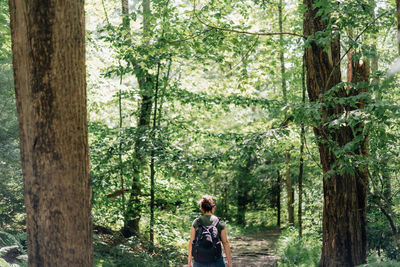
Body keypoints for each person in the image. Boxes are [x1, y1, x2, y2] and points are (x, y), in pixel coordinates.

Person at [188, 195, 232, 267]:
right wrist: (229, 262)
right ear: (213, 208)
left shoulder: (196, 222)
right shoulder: (219, 222)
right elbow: (225, 242)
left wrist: (189, 261)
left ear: (202, 209)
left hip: (199, 261)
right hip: (217, 261)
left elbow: (191, 242)